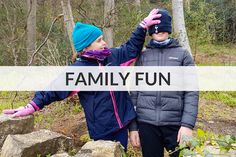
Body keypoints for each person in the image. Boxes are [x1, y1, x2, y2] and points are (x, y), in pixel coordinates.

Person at [2, 9, 161, 151]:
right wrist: (31, 106)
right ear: (85, 47)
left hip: (122, 127)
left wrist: (142, 27)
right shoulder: (78, 70)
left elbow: (131, 48)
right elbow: (53, 90)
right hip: (102, 131)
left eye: (102, 38)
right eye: (99, 40)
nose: (104, 43)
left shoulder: (112, 57)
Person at [129, 9, 199, 157]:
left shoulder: (183, 55)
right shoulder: (143, 56)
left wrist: (187, 125)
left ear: (169, 29)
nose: (159, 31)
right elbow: (134, 92)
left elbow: (192, 92)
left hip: (176, 124)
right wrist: (133, 127)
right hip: (146, 125)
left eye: (163, 27)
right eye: (155, 27)